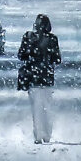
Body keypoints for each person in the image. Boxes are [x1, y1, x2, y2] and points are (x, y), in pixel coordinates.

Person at [17, 13, 62, 144]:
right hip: (47, 77)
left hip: (32, 78)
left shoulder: (28, 37)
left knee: (36, 109)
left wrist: (31, 55)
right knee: (46, 108)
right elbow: (57, 59)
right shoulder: (52, 39)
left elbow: (21, 55)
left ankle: (38, 135)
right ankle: (47, 135)